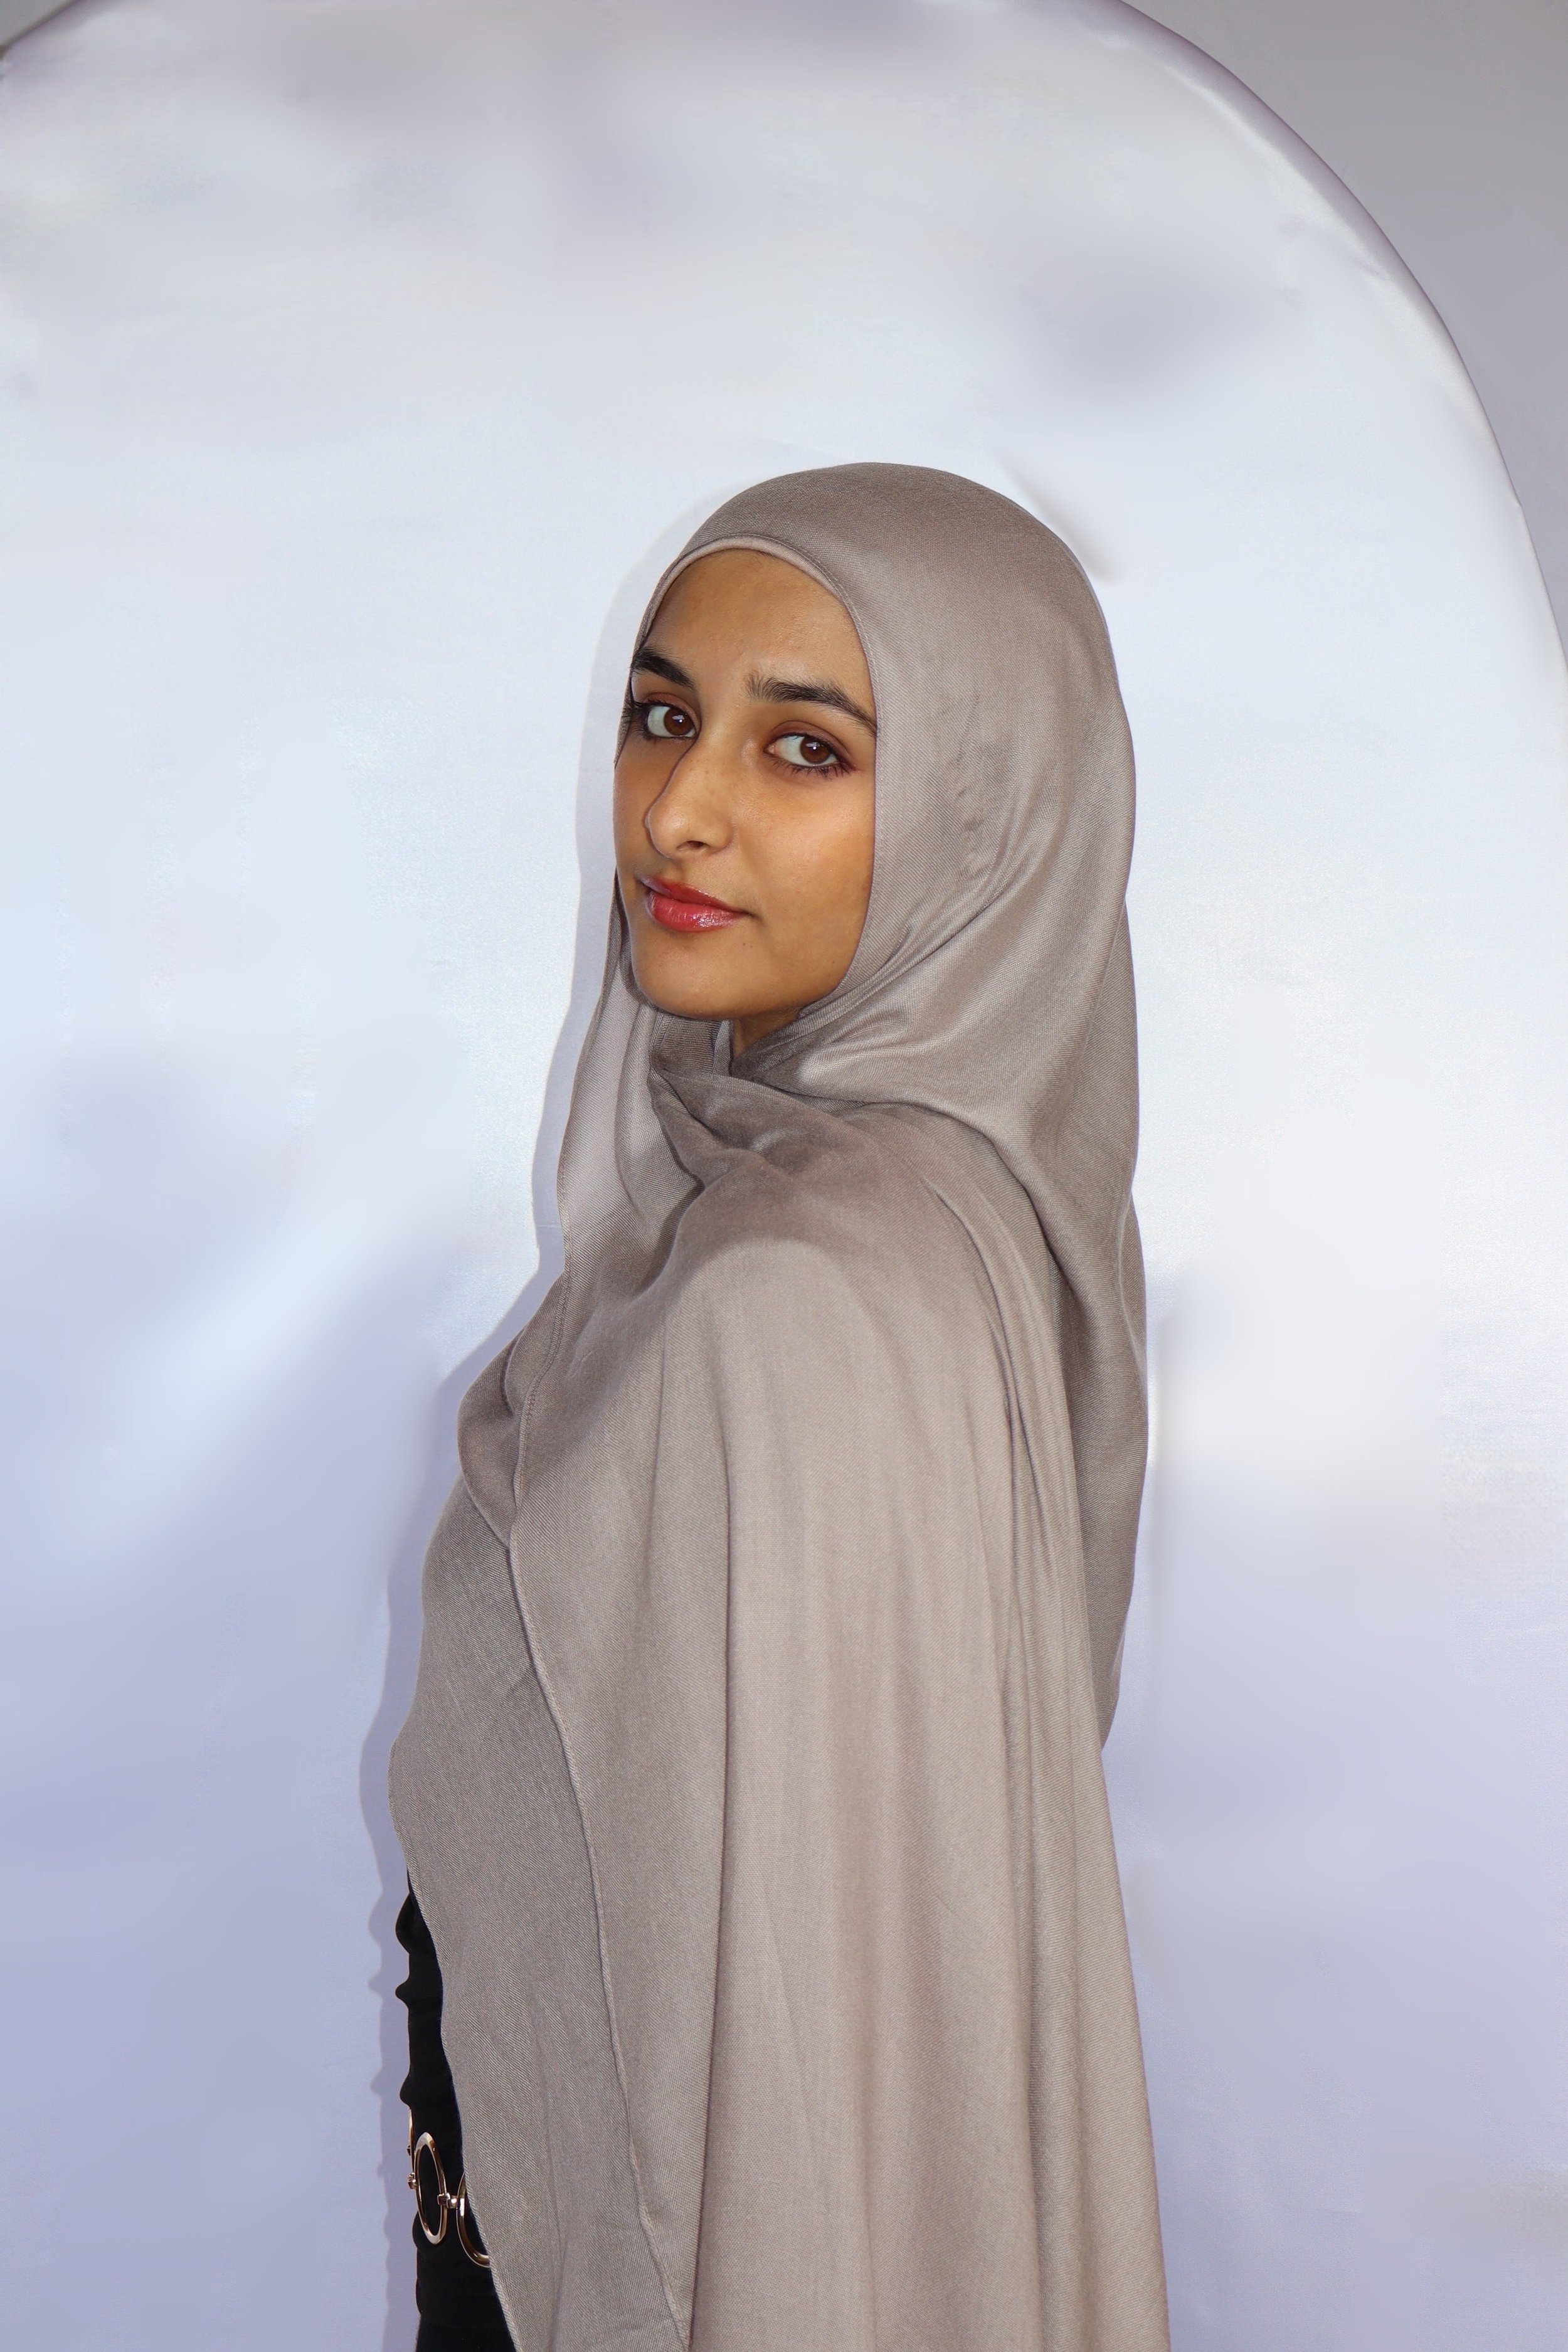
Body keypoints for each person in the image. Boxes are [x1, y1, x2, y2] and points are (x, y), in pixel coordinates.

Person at [391, 462, 1169, 2352]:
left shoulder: (791, 1301)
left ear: (990, 819)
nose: (682, 808)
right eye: (663, 715)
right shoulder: (956, 1230)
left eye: (806, 749)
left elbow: (792, 2111)